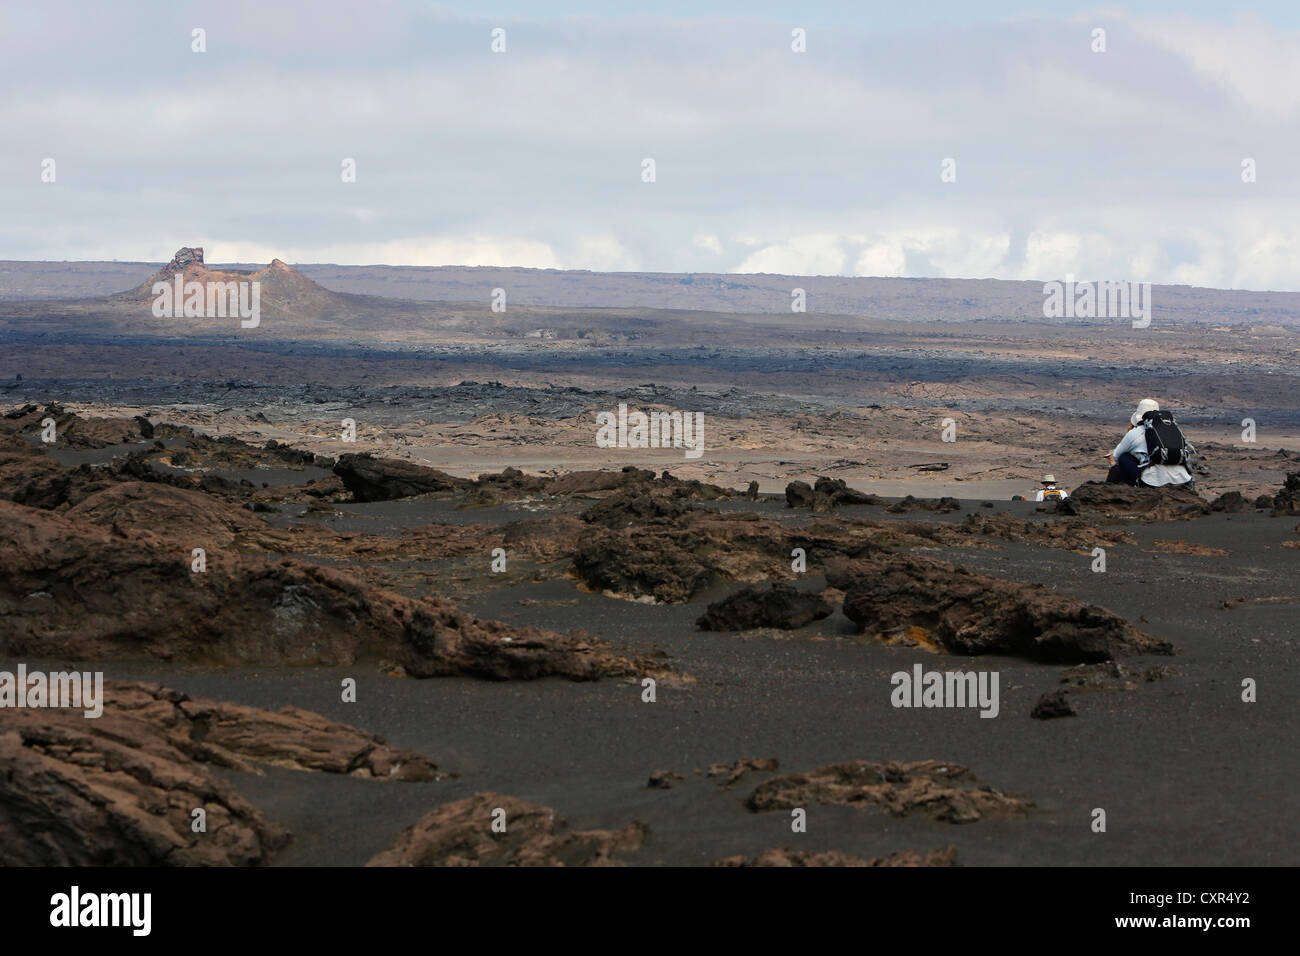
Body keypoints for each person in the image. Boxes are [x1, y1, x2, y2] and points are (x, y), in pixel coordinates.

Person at [1106, 399, 1194, 488]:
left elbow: (1116, 456)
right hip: (1183, 479)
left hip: (1153, 482)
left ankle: (1127, 488)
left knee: (1124, 457)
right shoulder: (1173, 431)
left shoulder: (1135, 433)